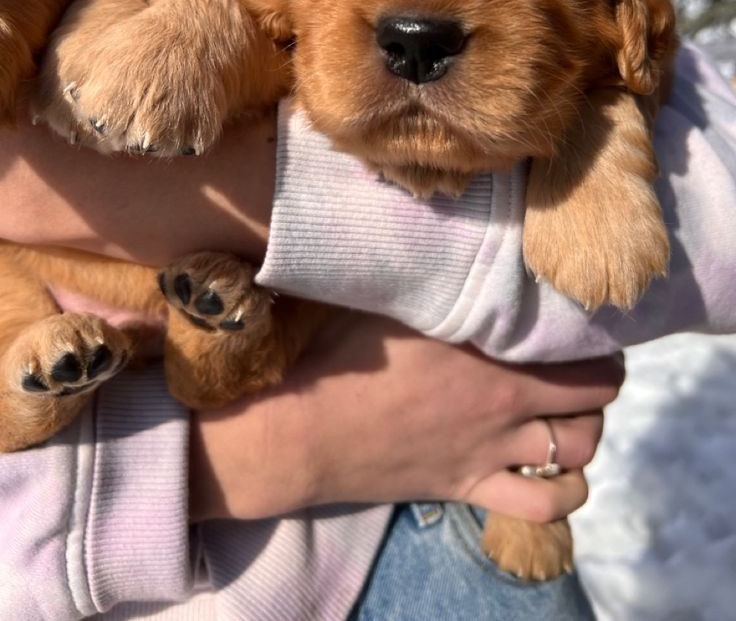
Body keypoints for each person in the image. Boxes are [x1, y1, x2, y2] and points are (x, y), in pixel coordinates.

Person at [0, 40, 734, 619]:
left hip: (422, 522)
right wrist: (272, 449)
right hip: (404, 466)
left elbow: (713, 188)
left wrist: (268, 194)